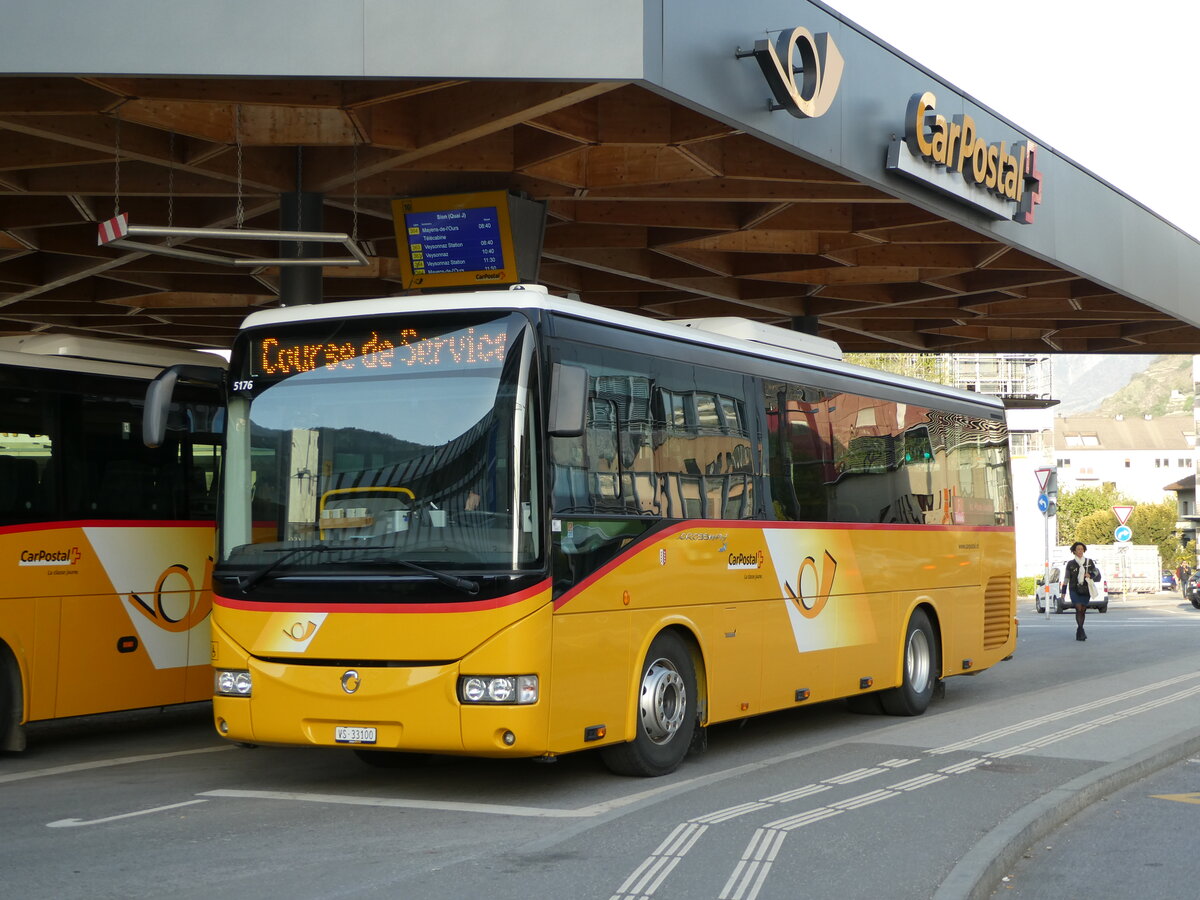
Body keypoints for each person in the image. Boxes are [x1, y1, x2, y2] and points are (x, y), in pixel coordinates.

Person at [1061, 541, 1101, 641]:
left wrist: (1090, 575)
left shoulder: (1089, 561)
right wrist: (1063, 592)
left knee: (1083, 609)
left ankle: (1080, 630)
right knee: (1078, 608)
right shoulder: (1070, 563)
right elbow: (1066, 578)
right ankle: (1080, 630)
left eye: (1082, 549)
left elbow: (1096, 571)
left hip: (1085, 589)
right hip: (1074, 589)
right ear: (1074, 551)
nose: (1080, 551)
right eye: (1078, 549)